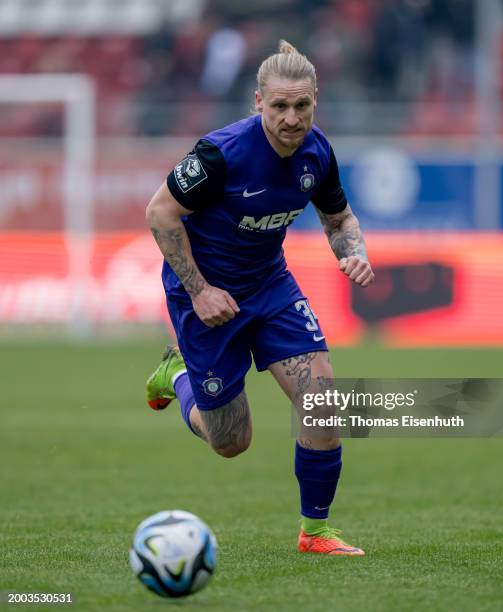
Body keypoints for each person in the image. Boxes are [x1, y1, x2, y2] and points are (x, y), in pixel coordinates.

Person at [145, 40, 374, 556]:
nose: (291, 118)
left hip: (270, 287)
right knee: (231, 442)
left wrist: (353, 251)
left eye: (302, 106)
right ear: (257, 103)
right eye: (279, 106)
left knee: (322, 403)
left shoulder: (318, 152)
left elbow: (339, 219)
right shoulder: (219, 154)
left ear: (316, 100)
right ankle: (177, 374)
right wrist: (199, 291)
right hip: (206, 297)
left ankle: (314, 532)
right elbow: (160, 213)